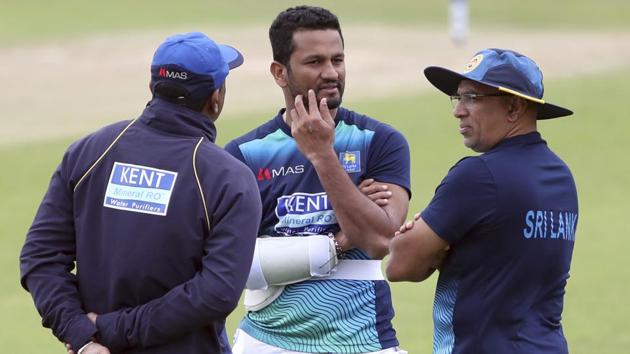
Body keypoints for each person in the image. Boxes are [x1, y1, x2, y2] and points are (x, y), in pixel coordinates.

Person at [19, 32, 262, 354]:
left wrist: (83, 335)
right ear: (216, 97)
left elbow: (40, 257)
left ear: (152, 88)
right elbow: (216, 292)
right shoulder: (229, 178)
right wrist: (108, 330)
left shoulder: (90, 151)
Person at [224, 6, 411, 354]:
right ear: (280, 73)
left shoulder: (380, 141)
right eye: (315, 62)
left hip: (363, 341)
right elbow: (232, 264)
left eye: (337, 60)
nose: (331, 73)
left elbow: (377, 240)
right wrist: (337, 241)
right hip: (267, 342)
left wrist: (322, 155)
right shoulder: (244, 154)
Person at [386, 48, 578, 353]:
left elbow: (399, 265)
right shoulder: (561, 177)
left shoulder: (478, 176)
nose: (458, 110)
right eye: (458, 98)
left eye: (472, 98)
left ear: (514, 108)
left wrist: (440, 245)